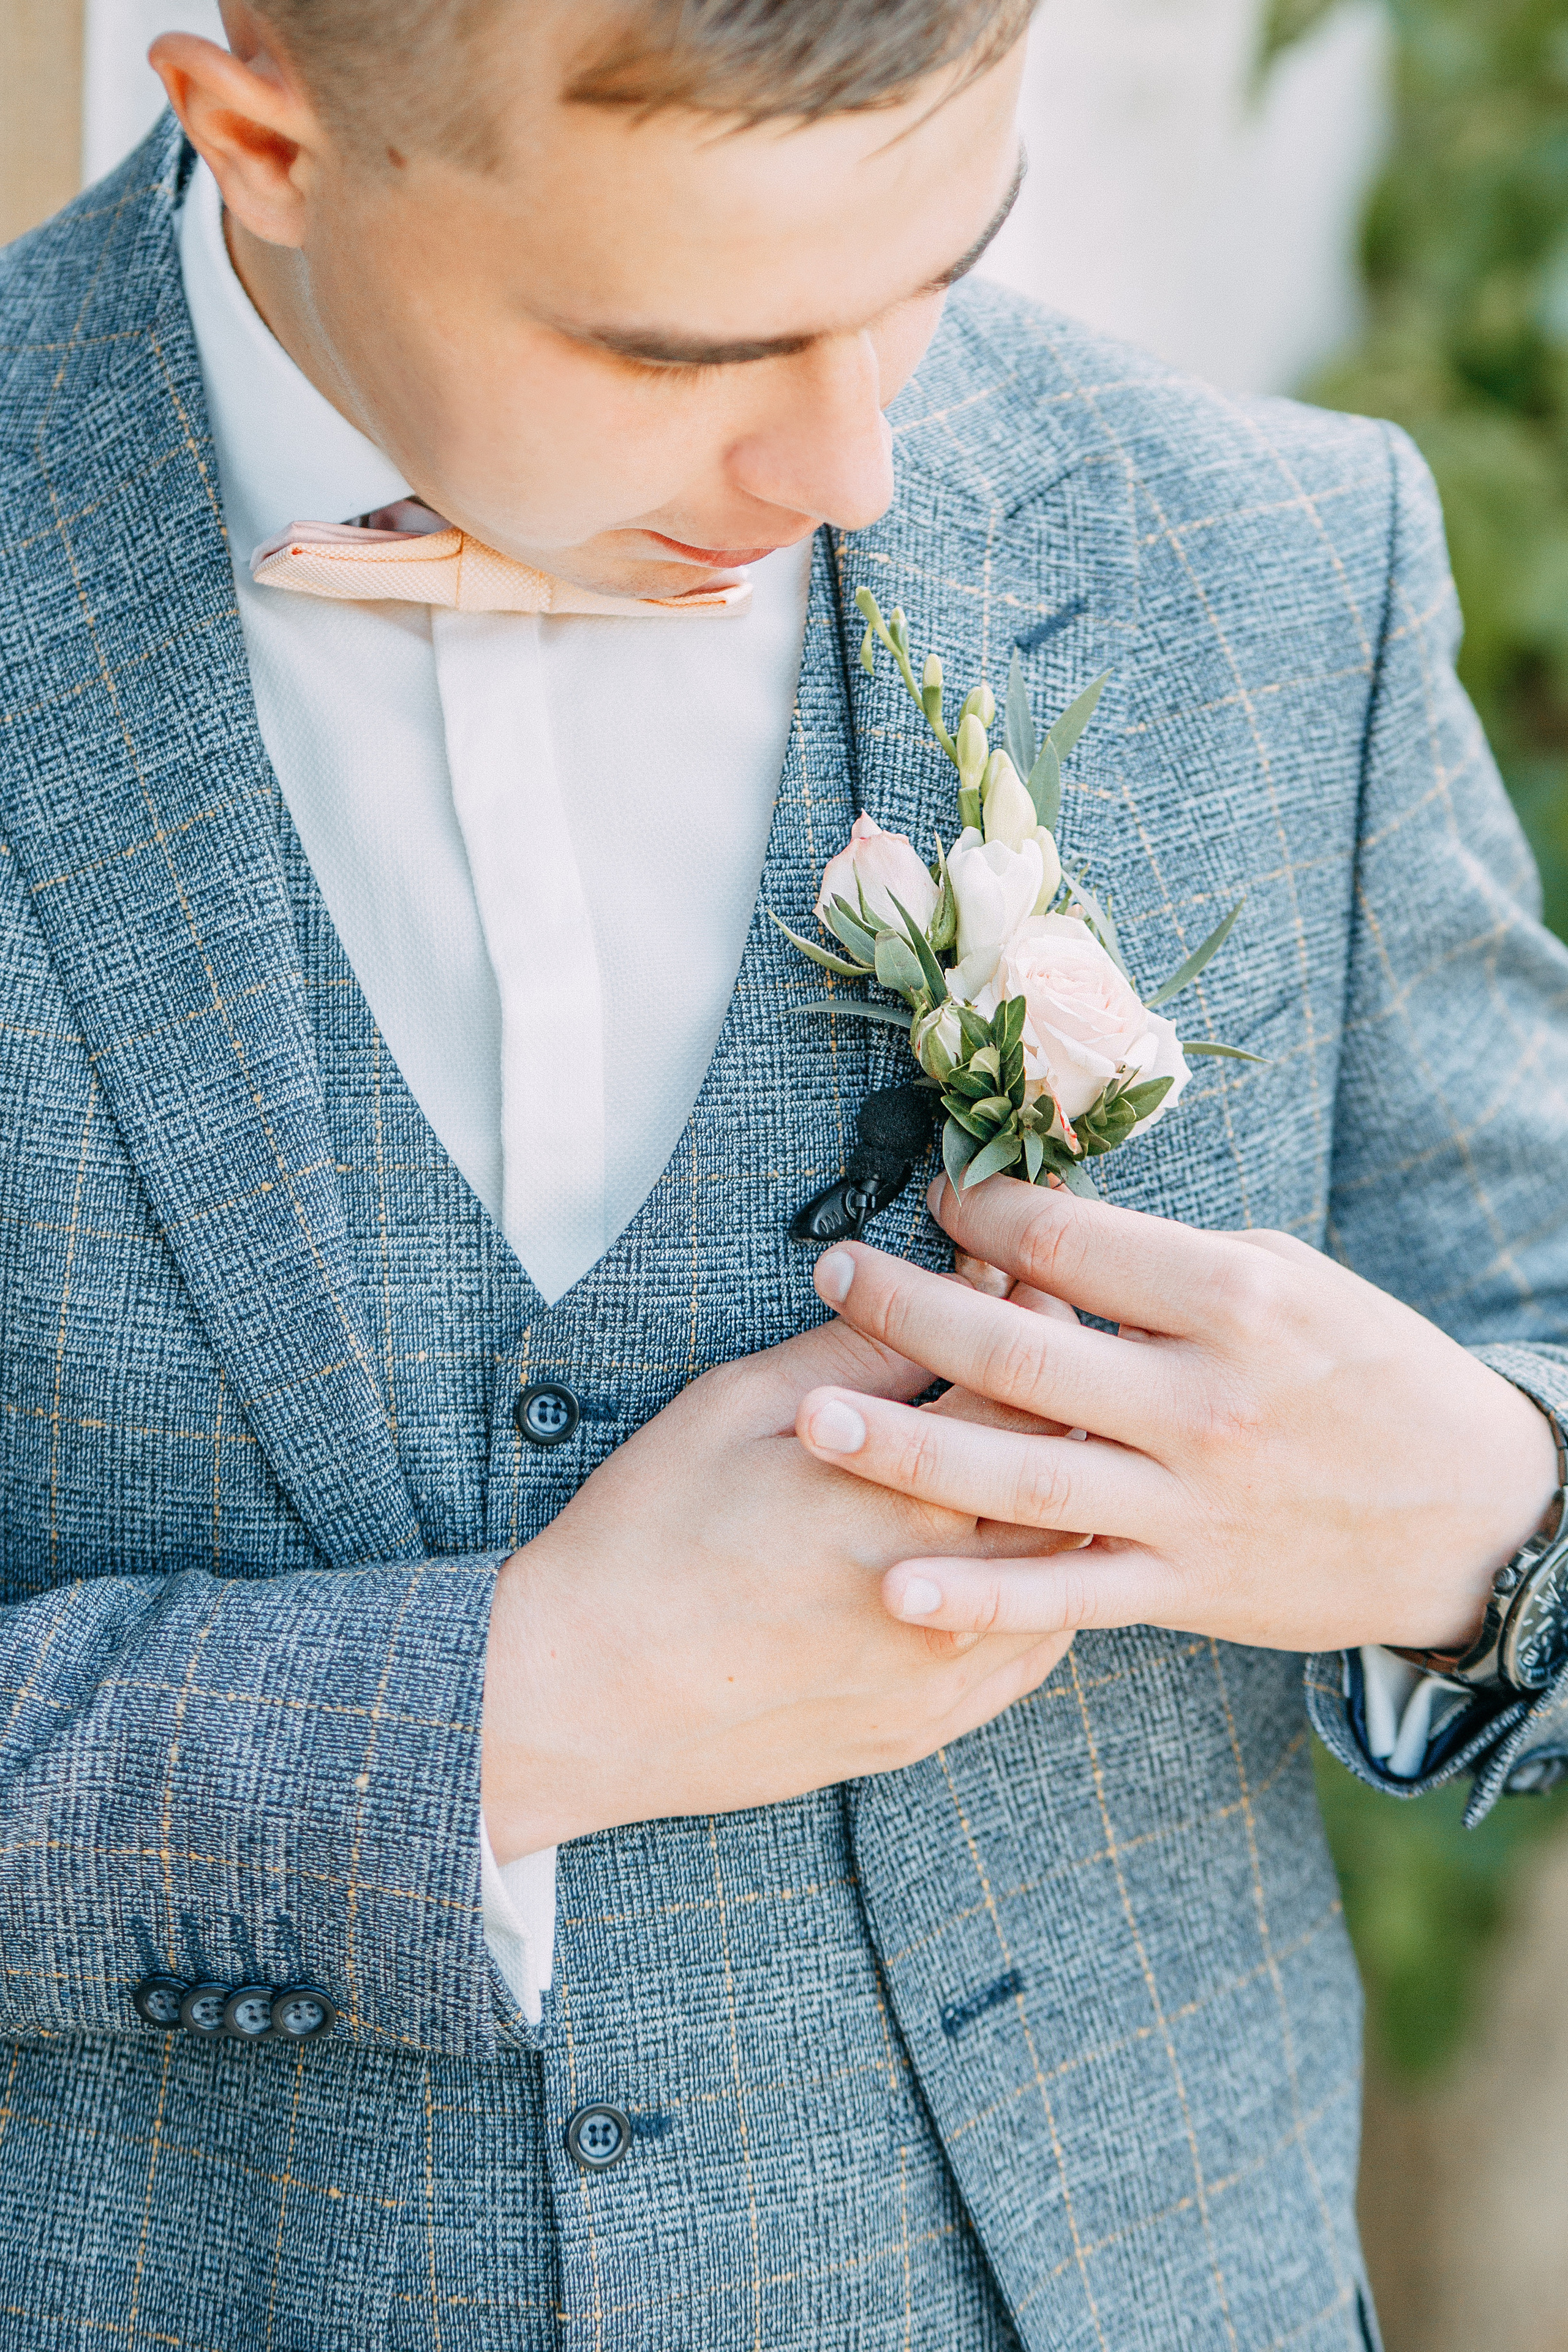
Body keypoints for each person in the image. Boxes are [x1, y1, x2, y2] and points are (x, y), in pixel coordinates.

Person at [1, 1, 1565, 2344]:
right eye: (680, 345)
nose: (856, 458)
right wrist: (515, 1699)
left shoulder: (1264, 558)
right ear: (262, 137)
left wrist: (1485, 1515)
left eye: (948, 256)